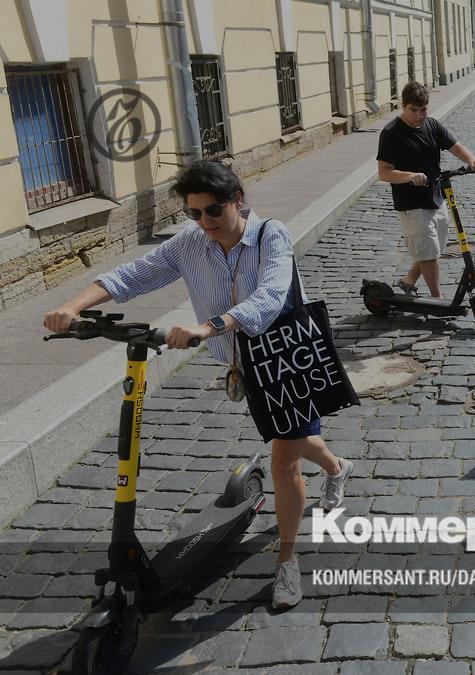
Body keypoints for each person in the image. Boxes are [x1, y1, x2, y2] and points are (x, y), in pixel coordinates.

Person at [42, 160, 353, 612]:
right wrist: (70, 306)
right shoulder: (190, 243)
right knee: (297, 437)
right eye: (194, 213)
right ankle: (337, 466)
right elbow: (134, 274)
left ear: (237, 200)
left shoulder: (272, 235)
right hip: (244, 366)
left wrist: (209, 327)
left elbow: (268, 297)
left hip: (286, 359)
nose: (204, 222)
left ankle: (286, 561)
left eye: (213, 211)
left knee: (284, 459)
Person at [376, 82, 475, 298]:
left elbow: (455, 146)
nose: (419, 116)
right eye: (413, 110)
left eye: (423, 110)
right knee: (430, 253)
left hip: (436, 198)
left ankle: (408, 281)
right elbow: (384, 172)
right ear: (403, 106)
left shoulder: (432, 125)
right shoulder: (391, 133)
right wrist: (409, 176)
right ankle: (438, 298)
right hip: (411, 203)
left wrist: (471, 159)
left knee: (432, 249)